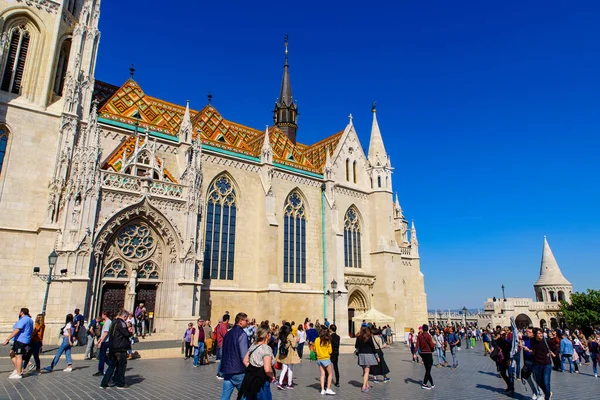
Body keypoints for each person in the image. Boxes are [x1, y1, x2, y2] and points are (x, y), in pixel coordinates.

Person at [239, 326, 275, 400]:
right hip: (262, 382)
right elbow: (267, 369)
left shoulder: (253, 345)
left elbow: (245, 361)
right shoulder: (266, 348)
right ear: (267, 335)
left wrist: (254, 369)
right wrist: (272, 375)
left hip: (251, 380)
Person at [100, 309, 133, 389]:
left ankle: (104, 383)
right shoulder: (122, 323)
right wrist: (130, 331)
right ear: (124, 316)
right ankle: (120, 383)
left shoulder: (113, 322)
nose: (126, 319)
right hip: (120, 348)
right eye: (126, 317)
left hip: (113, 347)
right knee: (121, 366)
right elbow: (126, 334)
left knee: (112, 366)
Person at [220, 312, 249, 400]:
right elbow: (244, 355)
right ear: (240, 321)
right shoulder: (242, 334)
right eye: (246, 320)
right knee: (244, 395)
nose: (247, 322)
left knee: (225, 396)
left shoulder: (228, 333)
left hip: (227, 369)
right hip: (238, 370)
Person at [3, 308, 34, 379]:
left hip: (21, 340)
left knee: (19, 356)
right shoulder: (30, 320)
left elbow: (17, 329)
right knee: (11, 353)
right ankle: (17, 369)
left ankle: (19, 373)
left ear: (22, 313)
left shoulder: (24, 319)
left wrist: (8, 339)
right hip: (24, 340)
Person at [275, 324, 301, 390]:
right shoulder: (289, 335)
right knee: (290, 369)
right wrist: (296, 340)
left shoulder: (282, 335)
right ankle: (289, 384)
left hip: (283, 354)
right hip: (289, 354)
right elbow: (294, 345)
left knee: (284, 369)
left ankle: (280, 383)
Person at [530, 327, 553, 400]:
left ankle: (547, 398)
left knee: (546, 382)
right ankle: (548, 392)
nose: (541, 335)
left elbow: (554, 348)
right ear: (535, 335)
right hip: (538, 364)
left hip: (547, 364)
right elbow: (534, 350)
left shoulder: (546, 341)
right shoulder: (532, 341)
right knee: (539, 381)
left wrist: (551, 353)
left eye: (541, 333)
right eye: (539, 333)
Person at [355, 326, 379, 393]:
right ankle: (364, 386)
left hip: (361, 355)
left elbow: (356, 346)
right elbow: (373, 347)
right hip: (368, 355)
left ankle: (367, 384)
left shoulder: (358, 337)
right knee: (367, 372)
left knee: (364, 371)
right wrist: (377, 356)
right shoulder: (369, 337)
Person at [521, 327, 541, 399]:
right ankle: (534, 391)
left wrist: (529, 350)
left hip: (534, 361)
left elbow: (538, 351)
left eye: (529, 332)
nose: (527, 333)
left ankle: (540, 393)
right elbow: (517, 335)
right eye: (527, 332)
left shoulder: (536, 340)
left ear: (533, 333)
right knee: (527, 377)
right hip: (527, 361)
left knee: (536, 378)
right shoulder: (526, 338)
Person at [314, 328, 336, 395]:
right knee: (330, 374)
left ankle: (322, 389)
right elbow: (330, 351)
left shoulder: (317, 339)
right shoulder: (327, 340)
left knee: (322, 374)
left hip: (319, 359)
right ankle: (328, 389)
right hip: (326, 358)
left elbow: (315, 349)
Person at [494, 329, 514, 395]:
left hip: (507, 359)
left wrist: (510, 359)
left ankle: (511, 388)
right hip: (501, 360)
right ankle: (509, 384)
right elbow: (493, 344)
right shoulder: (498, 340)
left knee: (510, 374)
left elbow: (511, 350)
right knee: (502, 373)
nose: (503, 336)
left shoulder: (508, 341)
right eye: (502, 334)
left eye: (504, 334)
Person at [417, 324, 435, 390]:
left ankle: (432, 383)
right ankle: (424, 383)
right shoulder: (428, 336)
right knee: (428, 369)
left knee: (427, 369)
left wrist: (414, 353)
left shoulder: (419, 336)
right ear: (427, 329)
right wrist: (433, 346)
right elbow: (431, 345)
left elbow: (417, 345)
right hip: (428, 353)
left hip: (423, 354)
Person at [94, 311, 112, 376]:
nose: (101, 316)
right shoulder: (108, 322)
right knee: (102, 356)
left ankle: (101, 370)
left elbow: (106, 332)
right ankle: (111, 365)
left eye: (102, 314)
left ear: (104, 315)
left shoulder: (108, 322)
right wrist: (100, 339)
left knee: (101, 356)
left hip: (105, 341)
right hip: (104, 340)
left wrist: (101, 341)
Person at [216, 313, 231, 379]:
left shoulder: (221, 326)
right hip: (223, 344)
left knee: (223, 359)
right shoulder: (223, 326)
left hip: (221, 344)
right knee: (223, 359)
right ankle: (220, 373)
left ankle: (220, 372)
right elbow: (225, 335)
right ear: (227, 320)